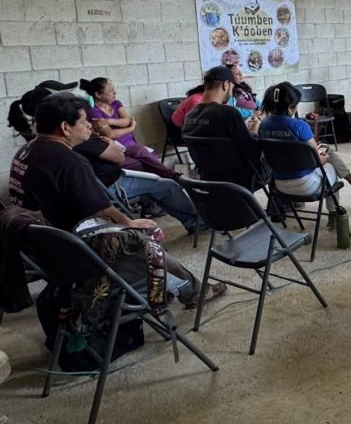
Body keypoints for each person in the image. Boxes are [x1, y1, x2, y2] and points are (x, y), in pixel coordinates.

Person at [7, 93, 224, 308]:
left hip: (45, 249)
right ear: (65, 127)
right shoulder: (69, 161)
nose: (89, 126)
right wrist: (130, 224)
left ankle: (170, 287)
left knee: (138, 230)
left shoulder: (27, 150)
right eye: (84, 121)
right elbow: (101, 209)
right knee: (144, 241)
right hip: (74, 249)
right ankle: (193, 290)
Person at [259, 83, 351, 222]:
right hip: (305, 185)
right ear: (290, 108)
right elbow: (317, 161)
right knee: (330, 165)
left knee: (325, 150)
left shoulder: (263, 125)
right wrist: (325, 157)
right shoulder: (299, 126)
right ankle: (334, 212)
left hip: (279, 186)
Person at [182, 65, 265, 189]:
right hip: (240, 181)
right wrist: (254, 132)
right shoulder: (229, 113)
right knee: (276, 156)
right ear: (226, 84)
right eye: (232, 87)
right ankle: (281, 203)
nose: (231, 93)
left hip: (208, 179)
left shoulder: (189, 116)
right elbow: (252, 152)